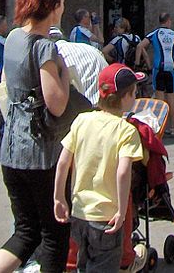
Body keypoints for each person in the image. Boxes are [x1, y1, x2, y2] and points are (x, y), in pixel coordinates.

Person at [0, 0, 73, 273]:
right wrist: (64, 71)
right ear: (53, 7)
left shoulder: (13, 38)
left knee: (25, 231)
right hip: (40, 153)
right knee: (54, 235)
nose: (62, 9)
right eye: (60, 4)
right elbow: (57, 103)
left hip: (11, 148)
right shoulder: (44, 48)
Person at [53, 63, 147, 273]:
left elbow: (63, 162)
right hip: (106, 216)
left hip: (80, 213)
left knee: (83, 265)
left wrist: (59, 197)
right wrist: (123, 211)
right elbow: (123, 172)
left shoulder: (82, 120)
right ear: (126, 97)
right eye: (134, 92)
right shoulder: (126, 130)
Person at [136, 13, 174, 136]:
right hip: (171, 70)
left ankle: (160, 129)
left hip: (159, 70)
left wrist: (138, 63)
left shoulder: (154, 34)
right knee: (172, 101)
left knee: (160, 101)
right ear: (168, 21)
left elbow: (140, 46)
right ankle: (173, 128)